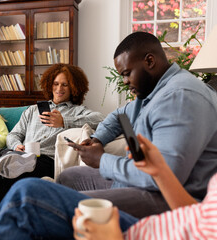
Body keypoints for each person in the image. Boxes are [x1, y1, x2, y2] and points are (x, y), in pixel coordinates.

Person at [56, 31, 217, 219]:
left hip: (168, 196)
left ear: (149, 61)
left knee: (69, 206)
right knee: (67, 178)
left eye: (127, 74)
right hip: (139, 179)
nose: (125, 82)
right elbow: (119, 117)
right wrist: (97, 139)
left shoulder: (179, 97)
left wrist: (102, 160)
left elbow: (165, 177)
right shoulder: (151, 92)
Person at [0, 63, 105, 232]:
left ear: (74, 88)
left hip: (45, 160)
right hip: (19, 156)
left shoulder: (78, 112)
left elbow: (102, 119)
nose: (59, 88)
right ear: (49, 85)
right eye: (56, 84)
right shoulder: (32, 111)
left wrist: (65, 122)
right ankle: (4, 155)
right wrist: (16, 146)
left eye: (65, 84)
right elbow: (13, 135)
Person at [0, 134, 217, 240]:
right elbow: (202, 215)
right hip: (150, 227)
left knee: (25, 198)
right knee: (33, 194)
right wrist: (161, 172)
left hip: (128, 234)